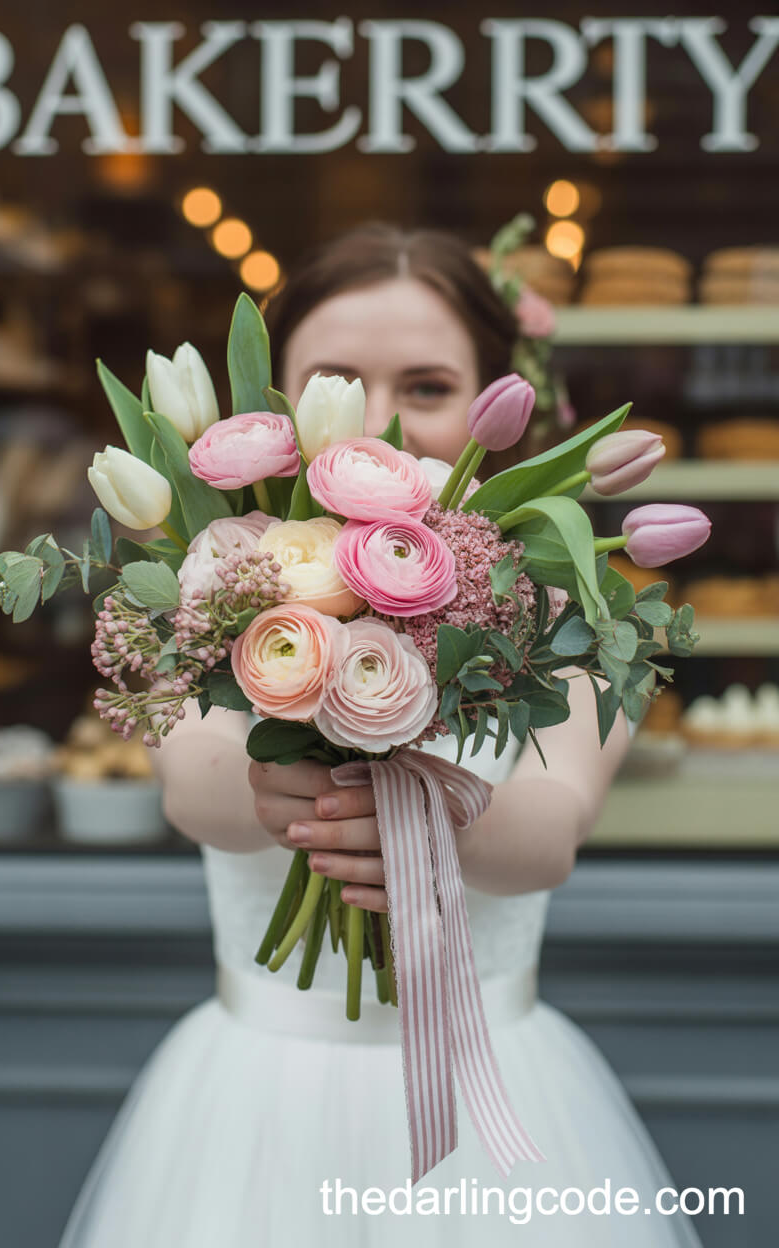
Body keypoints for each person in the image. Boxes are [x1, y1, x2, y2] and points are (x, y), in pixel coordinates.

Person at [57, 224, 703, 1247]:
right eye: (339, 382)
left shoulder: (568, 605)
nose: (384, 424)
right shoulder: (213, 577)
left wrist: (446, 817)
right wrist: (290, 785)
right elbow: (197, 791)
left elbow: (551, 827)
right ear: (275, 406)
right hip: (259, 1100)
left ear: (502, 401)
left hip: (488, 1093)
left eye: (431, 385)